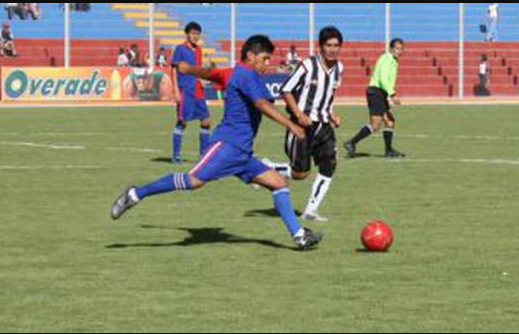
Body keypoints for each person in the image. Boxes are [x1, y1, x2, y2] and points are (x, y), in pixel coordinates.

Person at [111, 35, 322, 251]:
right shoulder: (246, 74)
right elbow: (260, 104)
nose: (268, 64)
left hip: (242, 153)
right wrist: (291, 125)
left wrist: (188, 69)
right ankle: (136, 194)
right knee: (194, 180)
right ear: (250, 56)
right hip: (227, 146)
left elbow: (212, 74)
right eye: (265, 58)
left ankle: (298, 235)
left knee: (278, 183)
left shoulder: (235, 73)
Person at [262, 26, 345, 222]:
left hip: (324, 126)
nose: (333, 49)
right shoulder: (308, 65)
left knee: (329, 165)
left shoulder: (339, 69)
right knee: (300, 173)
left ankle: (311, 210)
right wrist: (299, 115)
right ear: (321, 46)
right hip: (302, 127)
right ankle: (266, 168)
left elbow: (330, 94)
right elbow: (286, 89)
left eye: (336, 45)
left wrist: (332, 114)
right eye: (329, 45)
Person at [344, 38, 406, 159]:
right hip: (375, 92)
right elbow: (383, 78)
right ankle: (351, 143)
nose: (400, 51)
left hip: (380, 93)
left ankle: (389, 150)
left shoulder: (393, 60)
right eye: (397, 48)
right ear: (391, 48)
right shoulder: (386, 59)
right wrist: (392, 94)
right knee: (375, 124)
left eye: (401, 49)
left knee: (390, 121)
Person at [171, 22, 211, 163]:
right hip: (185, 89)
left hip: (198, 89)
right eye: (192, 34)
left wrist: (203, 78)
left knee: (206, 120)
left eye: (197, 34)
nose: (195, 36)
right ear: (187, 34)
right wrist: (176, 90)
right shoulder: (180, 49)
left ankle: (203, 155)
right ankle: (176, 156)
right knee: (182, 121)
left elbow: (197, 69)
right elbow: (174, 69)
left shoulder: (199, 50)